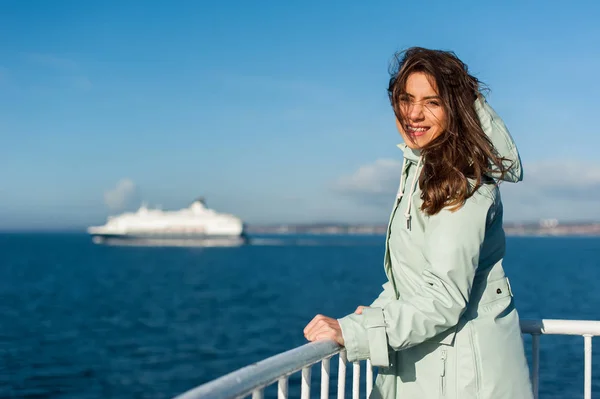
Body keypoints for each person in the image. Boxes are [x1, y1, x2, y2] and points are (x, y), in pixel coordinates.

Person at [303, 47, 533, 398]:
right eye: (406, 99)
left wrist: (354, 332)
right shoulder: (423, 168)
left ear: (456, 108)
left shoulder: (460, 181)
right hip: (442, 370)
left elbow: (443, 297)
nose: (413, 114)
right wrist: (372, 316)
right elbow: (412, 283)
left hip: (463, 380)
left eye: (432, 102)